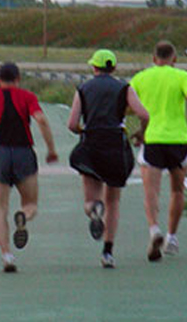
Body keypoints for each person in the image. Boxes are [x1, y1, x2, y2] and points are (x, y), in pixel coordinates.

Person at [0, 62, 58, 272]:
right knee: (31, 204)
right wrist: (51, 149)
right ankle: (23, 216)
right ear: (18, 78)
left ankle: (7, 256)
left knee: (0, 209)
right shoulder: (27, 97)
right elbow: (41, 120)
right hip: (23, 153)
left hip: (0, 153)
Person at [67, 49, 149, 269]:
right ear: (113, 68)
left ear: (94, 67)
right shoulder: (124, 88)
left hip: (91, 144)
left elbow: (72, 124)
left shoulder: (83, 89)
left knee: (90, 198)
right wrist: (141, 133)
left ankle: (94, 209)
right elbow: (144, 114)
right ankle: (108, 252)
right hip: (115, 144)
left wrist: (83, 131)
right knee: (113, 201)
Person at [130, 41, 187, 262]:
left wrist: (139, 123)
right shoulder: (183, 76)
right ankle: (171, 237)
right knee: (177, 190)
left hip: (152, 139)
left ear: (154, 58)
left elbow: (128, 104)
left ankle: (154, 230)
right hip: (178, 139)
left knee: (151, 191)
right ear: (175, 59)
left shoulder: (141, 78)